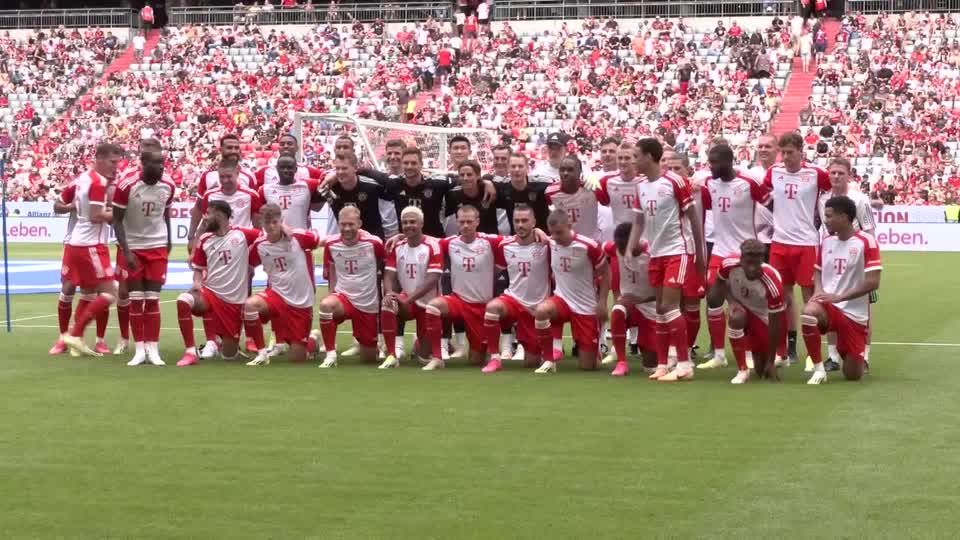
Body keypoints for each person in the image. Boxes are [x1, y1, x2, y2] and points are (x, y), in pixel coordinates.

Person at [627, 138, 706, 382]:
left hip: (678, 251)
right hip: (656, 253)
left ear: (650, 157)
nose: (634, 160)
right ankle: (663, 364)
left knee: (671, 306)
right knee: (660, 309)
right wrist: (632, 245)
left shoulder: (674, 181)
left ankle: (684, 363)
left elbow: (693, 218)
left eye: (637, 155)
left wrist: (700, 255)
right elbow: (639, 220)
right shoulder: (640, 185)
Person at [697, 144, 772, 370]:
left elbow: (773, 205)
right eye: (709, 162)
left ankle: (751, 351)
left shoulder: (749, 182)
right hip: (719, 251)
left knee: (747, 302)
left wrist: (773, 233)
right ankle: (718, 353)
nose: (711, 167)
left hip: (745, 253)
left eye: (715, 162)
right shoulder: (709, 184)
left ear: (728, 161)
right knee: (713, 298)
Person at [762, 132, 831, 365]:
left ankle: (815, 352)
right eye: (784, 153)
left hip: (806, 243)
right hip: (780, 242)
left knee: (811, 297)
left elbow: (834, 192)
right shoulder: (774, 173)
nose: (787, 157)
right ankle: (787, 349)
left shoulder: (816, 174)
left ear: (801, 151)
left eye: (791, 153)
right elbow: (763, 196)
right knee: (782, 296)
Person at [802, 196, 882, 384]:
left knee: (853, 375)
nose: (825, 220)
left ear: (844, 217)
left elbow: (873, 282)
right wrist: (818, 293)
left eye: (829, 216)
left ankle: (845, 350)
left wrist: (840, 297)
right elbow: (818, 271)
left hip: (854, 314)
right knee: (809, 312)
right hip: (829, 305)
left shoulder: (866, 242)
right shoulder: (827, 241)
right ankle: (819, 369)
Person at [175, 200, 263, 366]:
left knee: (229, 356)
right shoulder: (205, 239)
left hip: (234, 303)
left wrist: (252, 263)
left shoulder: (243, 234)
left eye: (209, 213)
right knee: (183, 300)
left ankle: (225, 346)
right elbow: (198, 270)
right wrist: (197, 283)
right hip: (211, 294)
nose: (205, 217)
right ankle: (190, 352)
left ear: (221, 215)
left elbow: (267, 240)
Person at [112, 150, 176, 366]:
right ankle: (139, 349)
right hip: (134, 247)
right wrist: (126, 251)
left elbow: (165, 214)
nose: (161, 167)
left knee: (153, 299)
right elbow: (117, 220)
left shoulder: (168, 186)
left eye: (163, 163)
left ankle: (153, 348)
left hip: (157, 246)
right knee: (136, 300)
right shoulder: (126, 185)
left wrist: (168, 241)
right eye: (156, 163)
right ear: (144, 163)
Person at [61, 143, 123, 357]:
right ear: (100, 159)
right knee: (110, 293)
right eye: (113, 162)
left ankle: (74, 341)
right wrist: (120, 213)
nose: (116, 167)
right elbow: (96, 216)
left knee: (88, 295)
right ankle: (75, 334)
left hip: (77, 243)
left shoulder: (85, 178)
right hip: (91, 246)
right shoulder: (99, 182)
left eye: (118, 162)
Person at [422, 205, 502, 370]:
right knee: (433, 307)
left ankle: (487, 349)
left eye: (469, 222)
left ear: (477, 222)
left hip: (481, 306)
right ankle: (437, 357)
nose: (465, 226)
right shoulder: (449, 243)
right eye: (462, 222)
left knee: (476, 360)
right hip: (458, 301)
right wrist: (401, 236)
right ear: (457, 223)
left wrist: (538, 232)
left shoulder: (490, 241)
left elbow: (516, 239)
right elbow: (426, 241)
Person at [817, 157, 877, 372]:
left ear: (849, 175)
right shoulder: (823, 199)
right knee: (831, 303)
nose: (835, 177)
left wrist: (870, 260)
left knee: (864, 309)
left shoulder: (859, 199)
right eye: (832, 173)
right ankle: (832, 356)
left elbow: (869, 229)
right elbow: (824, 229)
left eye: (840, 173)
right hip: (832, 259)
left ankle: (865, 355)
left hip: (856, 261)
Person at [244, 204, 324, 366]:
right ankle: (261, 353)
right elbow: (247, 264)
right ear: (262, 223)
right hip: (277, 296)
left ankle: (313, 340)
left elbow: (321, 241)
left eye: (275, 222)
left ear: (281, 221)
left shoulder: (297, 237)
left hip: (301, 300)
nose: (271, 226)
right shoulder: (260, 245)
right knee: (251, 305)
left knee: (297, 358)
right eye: (268, 223)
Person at [533, 209, 610, 373]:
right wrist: (536, 229)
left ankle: (594, 350)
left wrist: (602, 302)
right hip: (562, 300)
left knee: (587, 367)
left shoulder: (589, 246)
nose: (556, 237)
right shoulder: (552, 242)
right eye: (552, 233)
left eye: (559, 232)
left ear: (570, 225)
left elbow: (606, 273)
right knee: (541, 311)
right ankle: (548, 360)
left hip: (585, 306)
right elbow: (534, 235)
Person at [482, 205, 552, 372]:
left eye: (525, 221)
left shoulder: (546, 245)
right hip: (513, 300)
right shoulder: (504, 245)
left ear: (534, 222)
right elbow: (495, 270)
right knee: (492, 307)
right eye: (517, 221)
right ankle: (495, 358)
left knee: (531, 363)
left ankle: (540, 351)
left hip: (537, 307)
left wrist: (544, 235)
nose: (520, 224)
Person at [317, 206, 386, 368]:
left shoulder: (374, 243)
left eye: (351, 224)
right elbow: (332, 272)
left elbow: (385, 267)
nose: (346, 228)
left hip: (367, 303)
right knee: (326, 305)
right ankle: (330, 354)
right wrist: (331, 295)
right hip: (344, 299)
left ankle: (314, 339)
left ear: (359, 223)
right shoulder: (331, 244)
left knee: (368, 359)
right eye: (343, 224)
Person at [380, 206, 443, 368]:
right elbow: (389, 274)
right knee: (388, 303)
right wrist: (389, 293)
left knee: (423, 357)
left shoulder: (433, 245)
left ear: (421, 223)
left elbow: (433, 279)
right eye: (405, 222)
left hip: (428, 304)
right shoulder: (398, 246)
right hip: (407, 301)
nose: (408, 225)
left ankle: (420, 344)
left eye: (413, 222)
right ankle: (392, 355)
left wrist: (409, 299)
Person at [716, 239, 787, 384]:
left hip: (763, 317)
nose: (752, 268)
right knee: (736, 316)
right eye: (748, 263)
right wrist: (731, 301)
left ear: (762, 260)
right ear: (741, 259)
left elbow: (775, 323)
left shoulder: (772, 281)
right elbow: (719, 282)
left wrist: (771, 362)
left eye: (756, 263)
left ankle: (775, 356)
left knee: (762, 371)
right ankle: (742, 370)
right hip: (742, 309)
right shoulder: (728, 264)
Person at [189, 134, 257, 253]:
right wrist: (191, 236)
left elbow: (255, 213)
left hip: (240, 244)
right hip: (213, 243)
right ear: (221, 150)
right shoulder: (208, 175)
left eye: (236, 148)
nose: (233, 151)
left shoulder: (249, 177)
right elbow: (199, 208)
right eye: (229, 148)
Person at [605, 223, 657, 376]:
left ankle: (664, 354)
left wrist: (638, 299)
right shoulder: (613, 248)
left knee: (650, 366)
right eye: (619, 247)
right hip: (629, 306)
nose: (621, 251)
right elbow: (596, 248)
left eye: (624, 247)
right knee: (618, 309)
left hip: (650, 307)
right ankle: (621, 362)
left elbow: (664, 293)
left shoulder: (653, 254)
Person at [49, 187, 84, 355]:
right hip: (73, 243)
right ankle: (63, 337)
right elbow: (57, 206)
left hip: (96, 243)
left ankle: (80, 336)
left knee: (92, 292)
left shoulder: (109, 186)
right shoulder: (77, 185)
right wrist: (73, 206)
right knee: (68, 288)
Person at [545, 156, 600, 240]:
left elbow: (607, 203)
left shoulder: (591, 188)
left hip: (591, 241)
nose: (565, 173)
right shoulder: (550, 192)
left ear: (579, 172)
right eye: (562, 169)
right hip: (566, 242)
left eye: (570, 170)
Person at [494, 153, 550, 232]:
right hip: (517, 239)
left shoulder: (541, 185)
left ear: (527, 168)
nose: (517, 169)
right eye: (513, 166)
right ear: (508, 168)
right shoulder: (502, 188)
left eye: (520, 166)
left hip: (542, 237)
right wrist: (487, 183)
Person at [200, 163, 262, 229]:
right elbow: (205, 224)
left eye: (229, 176)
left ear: (237, 174)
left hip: (242, 238)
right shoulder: (209, 195)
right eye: (221, 177)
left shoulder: (251, 195)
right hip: (215, 238)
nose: (225, 180)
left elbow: (257, 226)